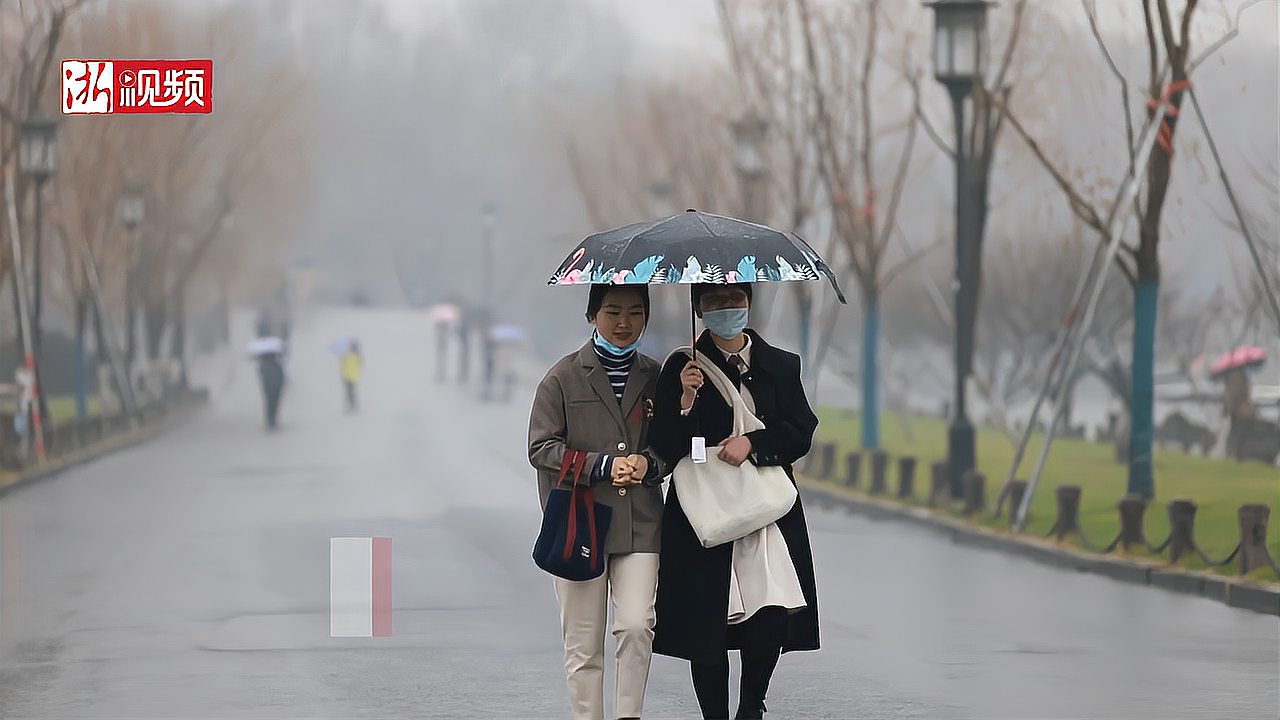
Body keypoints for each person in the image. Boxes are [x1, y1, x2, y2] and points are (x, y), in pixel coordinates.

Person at [649, 282, 820, 720]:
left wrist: (754, 443)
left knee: (771, 612)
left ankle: (750, 707)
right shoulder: (678, 368)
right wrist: (686, 401)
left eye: (734, 300)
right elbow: (666, 444)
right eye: (714, 302)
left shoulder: (781, 365)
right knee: (706, 620)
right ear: (699, 310)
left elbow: (800, 430)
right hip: (704, 510)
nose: (726, 309)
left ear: (748, 302)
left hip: (765, 509)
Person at [528, 285, 669, 720]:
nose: (624, 323)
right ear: (592, 316)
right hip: (578, 525)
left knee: (636, 624)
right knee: (584, 644)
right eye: (612, 312)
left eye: (634, 312)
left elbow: (672, 445)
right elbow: (541, 448)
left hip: (640, 523)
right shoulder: (563, 377)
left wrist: (648, 464)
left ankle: (629, 715)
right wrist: (600, 465)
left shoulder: (658, 377)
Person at [340, 340, 363, 413]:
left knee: (351, 392)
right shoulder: (347, 355)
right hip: (347, 376)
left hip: (353, 377)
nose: (352, 348)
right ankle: (351, 406)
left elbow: (360, 366)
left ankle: (353, 406)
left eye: (353, 347)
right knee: (348, 392)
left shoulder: (357, 356)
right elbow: (343, 365)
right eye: (352, 347)